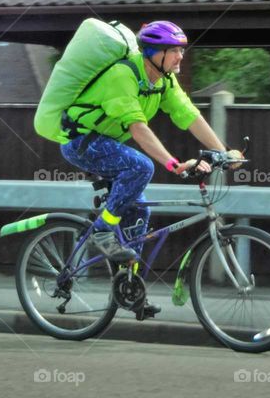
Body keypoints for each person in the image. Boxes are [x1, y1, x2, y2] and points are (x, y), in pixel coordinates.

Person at [59, 20, 241, 307]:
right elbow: (139, 130)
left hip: (108, 143)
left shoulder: (163, 80)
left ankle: (130, 291)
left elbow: (188, 114)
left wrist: (224, 152)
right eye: (174, 51)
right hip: (81, 141)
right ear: (155, 53)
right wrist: (173, 164)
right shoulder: (124, 75)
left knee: (139, 211)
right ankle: (102, 231)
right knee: (142, 167)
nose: (181, 56)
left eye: (182, 50)